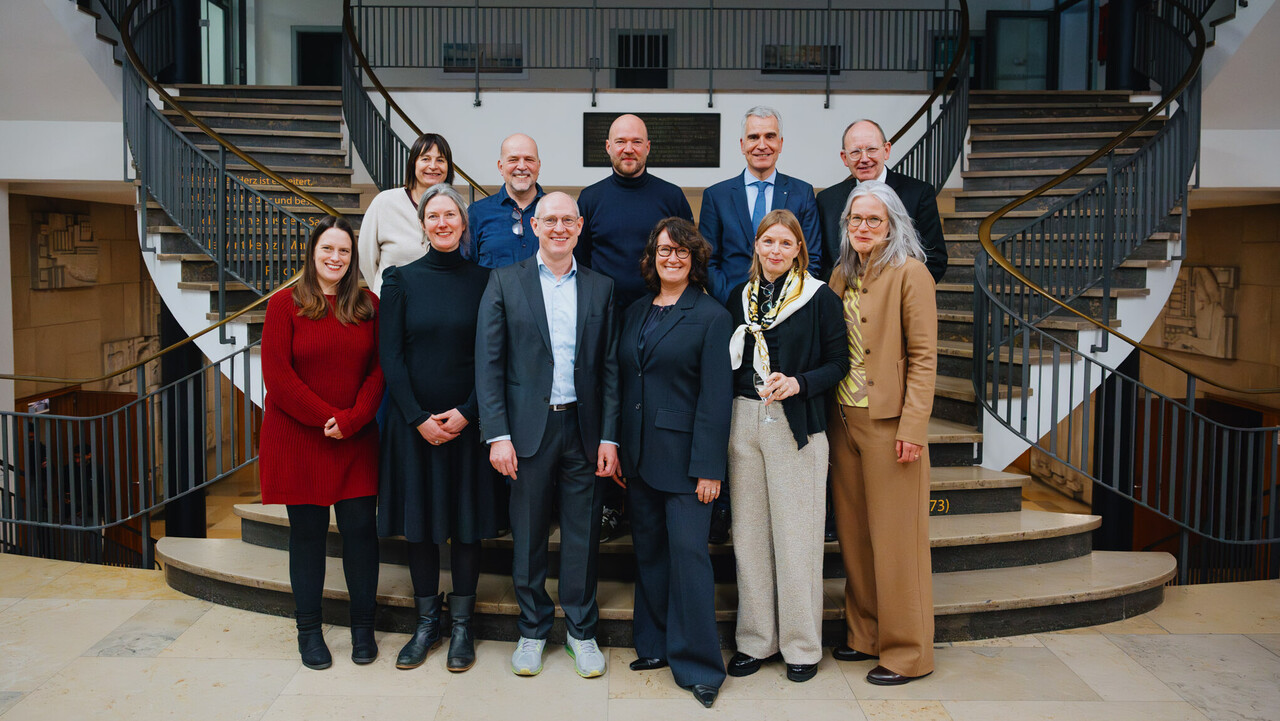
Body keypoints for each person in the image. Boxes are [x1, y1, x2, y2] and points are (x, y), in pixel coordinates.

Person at [475, 191, 621, 679]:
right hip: (526, 432)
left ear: (580, 227)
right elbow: (489, 364)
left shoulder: (601, 287)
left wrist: (610, 438)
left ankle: (581, 631)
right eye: (549, 219)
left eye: (567, 220)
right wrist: (496, 433)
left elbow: (609, 369)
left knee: (582, 537)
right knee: (529, 535)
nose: (558, 227)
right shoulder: (503, 282)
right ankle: (533, 629)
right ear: (534, 225)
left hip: (583, 428)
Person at [377, 185, 503, 674]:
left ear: (463, 222)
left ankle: (464, 627)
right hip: (415, 428)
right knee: (422, 530)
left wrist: (469, 412)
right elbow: (391, 356)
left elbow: (494, 355)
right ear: (423, 223)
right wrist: (417, 418)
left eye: (452, 214)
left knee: (466, 529)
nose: (443, 222)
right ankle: (427, 623)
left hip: (468, 424)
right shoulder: (399, 279)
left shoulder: (487, 281)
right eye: (434, 215)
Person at [724, 209, 846, 684]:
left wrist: (799, 382)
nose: (776, 250)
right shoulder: (741, 297)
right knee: (750, 537)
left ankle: (800, 645)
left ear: (799, 249)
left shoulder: (819, 298)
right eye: (768, 242)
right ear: (756, 245)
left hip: (796, 424)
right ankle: (756, 640)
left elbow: (839, 363)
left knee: (796, 540)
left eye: (785, 243)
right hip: (745, 418)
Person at [259, 215, 385, 671]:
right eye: (327, 249)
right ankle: (308, 632)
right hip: (300, 438)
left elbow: (379, 370)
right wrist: (327, 418)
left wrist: (351, 421)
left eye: (344, 251)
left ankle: (363, 629)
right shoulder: (283, 306)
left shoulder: (369, 305)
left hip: (355, 440)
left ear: (354, 259)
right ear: (312, 254)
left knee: (360, 534)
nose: (335, 258)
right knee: (308, 537)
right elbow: (278, 377)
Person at [826, 180, 938, 686]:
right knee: (855, 536)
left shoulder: (911, 274)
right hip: (843, 421)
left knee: (896, 542)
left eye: (874, 219)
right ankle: (864, 634)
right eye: (856, 219)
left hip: (890, 426)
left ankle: (907, 652)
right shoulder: (841, 275)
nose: (864, 227)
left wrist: (913, 425)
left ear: (892, 224)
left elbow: (925, 358)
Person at [617, 218, 731, 708]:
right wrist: (618, 446)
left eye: (683, 252)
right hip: (639, 457)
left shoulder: (711, 315)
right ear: (652, 256)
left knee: (689, 560)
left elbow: (715, 397)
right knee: (650, 556)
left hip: (687, 462)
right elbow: (625, 382)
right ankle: (655, 645)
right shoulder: (636, 310)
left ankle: (701, 666)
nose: (673, 258)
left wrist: (710, 468)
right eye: (665, 250)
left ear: (695, 258)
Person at [576, 113, 694, 543]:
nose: (628, 148)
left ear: (648, 147)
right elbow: (581, 261)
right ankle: (609, 502)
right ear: (607, 147)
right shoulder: (589, 199)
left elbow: (688, 254)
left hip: (660, 318)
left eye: (637, 141)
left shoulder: (671, 196)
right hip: (606, 323)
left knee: (655, 403)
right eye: (620, 141)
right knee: (610, 404)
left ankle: (654, 491)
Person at [701, 106, 822, 306]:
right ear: (742, 145)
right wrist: (734, 301)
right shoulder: (716, 196)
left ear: (780, 143)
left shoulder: (803, 193)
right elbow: (708, 263)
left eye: (770, 136)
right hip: (731, 309)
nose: (762, 145)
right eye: (754, 137)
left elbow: (812, 258)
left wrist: (786, 302)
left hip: (788, 309)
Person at [816, 119, 946, 283]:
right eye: (855, 152)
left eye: (871, 149)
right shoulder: (827, 200)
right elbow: (822, 262)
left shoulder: (919, 193)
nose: (864, 158)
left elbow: (935, 259)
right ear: (844, 157)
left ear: (886, 150)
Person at [358, 133, 456, 295]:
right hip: (392, 302)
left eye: (440, 160)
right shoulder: (385, 202)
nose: (433, 166)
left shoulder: (459, 208)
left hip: (438, 302)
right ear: (413, 164)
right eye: (425, 159)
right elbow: (366, 259)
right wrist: (382, 291)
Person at [467, 133, 545, 269]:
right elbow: (464, 268)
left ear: (538, 166)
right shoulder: (477, 213)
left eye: (529, 159)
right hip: (493, 291)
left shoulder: (556, 212)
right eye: (513, 159)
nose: (521, 166)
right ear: (500, 166)